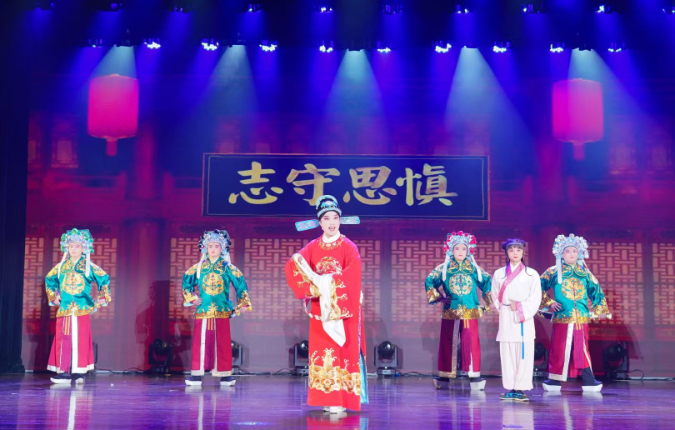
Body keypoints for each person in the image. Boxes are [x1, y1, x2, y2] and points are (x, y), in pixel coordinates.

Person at [285, 195, 368, 413]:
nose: (331, 223)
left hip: (344, 307)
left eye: (335, 218)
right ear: (320, 222)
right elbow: (295, 265)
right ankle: (327, 396)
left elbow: (353, 273)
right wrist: (313, 286)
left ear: (340, 220)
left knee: (343, 350)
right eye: (326, 218)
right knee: (323, 351)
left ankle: (342, 399)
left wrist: (325, 282)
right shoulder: (313, 247)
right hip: (321, 308)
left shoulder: (348, 246)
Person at [539, 234, 611, 392]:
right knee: (559, 348)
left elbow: (596, 291)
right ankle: (554, 380)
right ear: (561, 254)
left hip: (581, 318)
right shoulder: (553, 271)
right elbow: (537, 287)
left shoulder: (585, 272)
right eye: (567, 251)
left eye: (574, 251)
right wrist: (549, 302)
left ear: (579, 253)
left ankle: (588, 380)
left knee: (582, 348)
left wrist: (600, 309)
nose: (571, 254)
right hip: (562, 317)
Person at [425, 231, 492, 390]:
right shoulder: (444, 268)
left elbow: (487, 281)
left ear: (468, 250)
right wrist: (440, 298)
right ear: (451, 250)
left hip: (470, 311)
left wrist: (487, 303)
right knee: (448, 342)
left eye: (463, 248)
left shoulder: (474, 269)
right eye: (457, 248)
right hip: (451, 310)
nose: (460, 251)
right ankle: (445, 373)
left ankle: (474, 374)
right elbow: (429, 281)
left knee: (471, 342)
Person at [183, 230, 251, 386]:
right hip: (203, 310)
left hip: (221, 311)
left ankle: (225, 375)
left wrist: (243, 303)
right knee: (200, 344)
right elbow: (186, 283)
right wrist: (192, 298)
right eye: (210, 246)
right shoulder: (198, 268)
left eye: (216, 246)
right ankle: (197, 375)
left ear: (222, 248)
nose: (213, 249)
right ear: (205, 248)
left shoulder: (228, 268)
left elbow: (240, 284)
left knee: (222, 344)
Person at [45, 228, 111, 384]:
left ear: (84, 248)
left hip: (82, 309)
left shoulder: (88, 266)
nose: (73, 249)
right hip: (65, 309)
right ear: (66, 248)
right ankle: (64, 372)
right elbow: (49, 280)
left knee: (81, 339)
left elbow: (104, 279)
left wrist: (102, 297)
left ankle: (79, 372)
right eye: (71, 246)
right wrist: (54, 296)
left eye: (77, 246)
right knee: (64, 339)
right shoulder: (61, 267)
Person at [491, 239, 541, 402]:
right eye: (511, 250)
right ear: (506, 253)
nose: (515, 253)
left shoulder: (531, 274)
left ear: (523, 253)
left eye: (518, 250)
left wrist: (519, 307)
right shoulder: (499, 274)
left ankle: (520, 388)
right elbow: (494, 295)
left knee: (523, 354)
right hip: (506, 316)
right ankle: (511, 388)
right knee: (508, 353)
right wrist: (504, 308)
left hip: (523, 318)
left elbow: (536, 298)